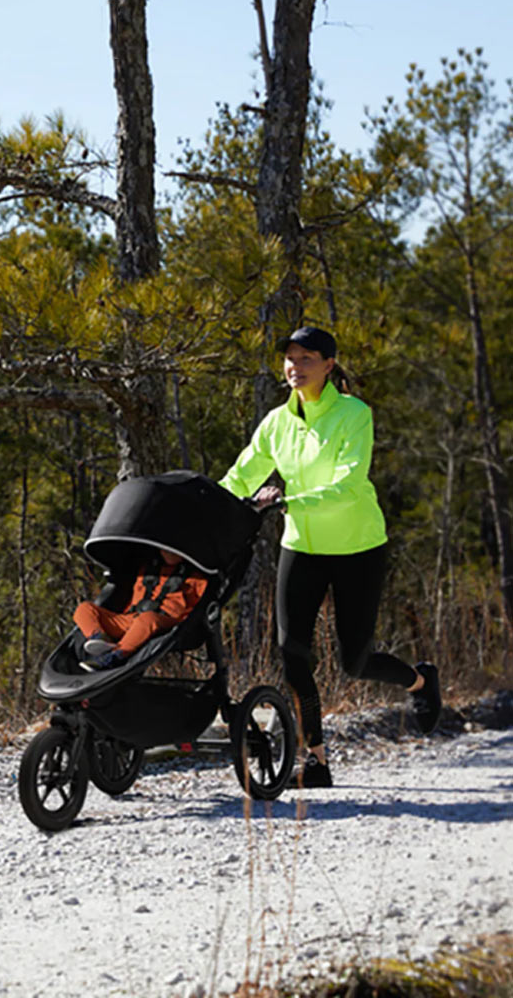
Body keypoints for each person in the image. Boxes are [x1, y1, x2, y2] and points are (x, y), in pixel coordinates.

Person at [220, 325, 442, 788]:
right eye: (289, 358)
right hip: (301, 545)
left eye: (305, 359)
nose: (294, 367)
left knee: (354, 661)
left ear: (329, 365)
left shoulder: (354, 415)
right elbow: (241, 476)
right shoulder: (277, 422)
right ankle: (316, 761)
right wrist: (208, 505)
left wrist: (287, 503)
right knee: (292, 651)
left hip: (357, 546)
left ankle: (420, 682)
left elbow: (348, 482)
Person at [74, 548, 208, 671]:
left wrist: (187, 624)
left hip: (165, 621)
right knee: (84, 609)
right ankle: (101, 639)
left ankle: (115, 656)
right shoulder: (147, 568)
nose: (167, 553)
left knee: (147, 618)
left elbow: (198, 607)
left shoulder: (197, 577)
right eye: (164, 550)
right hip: (132, 618)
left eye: (172, 551)